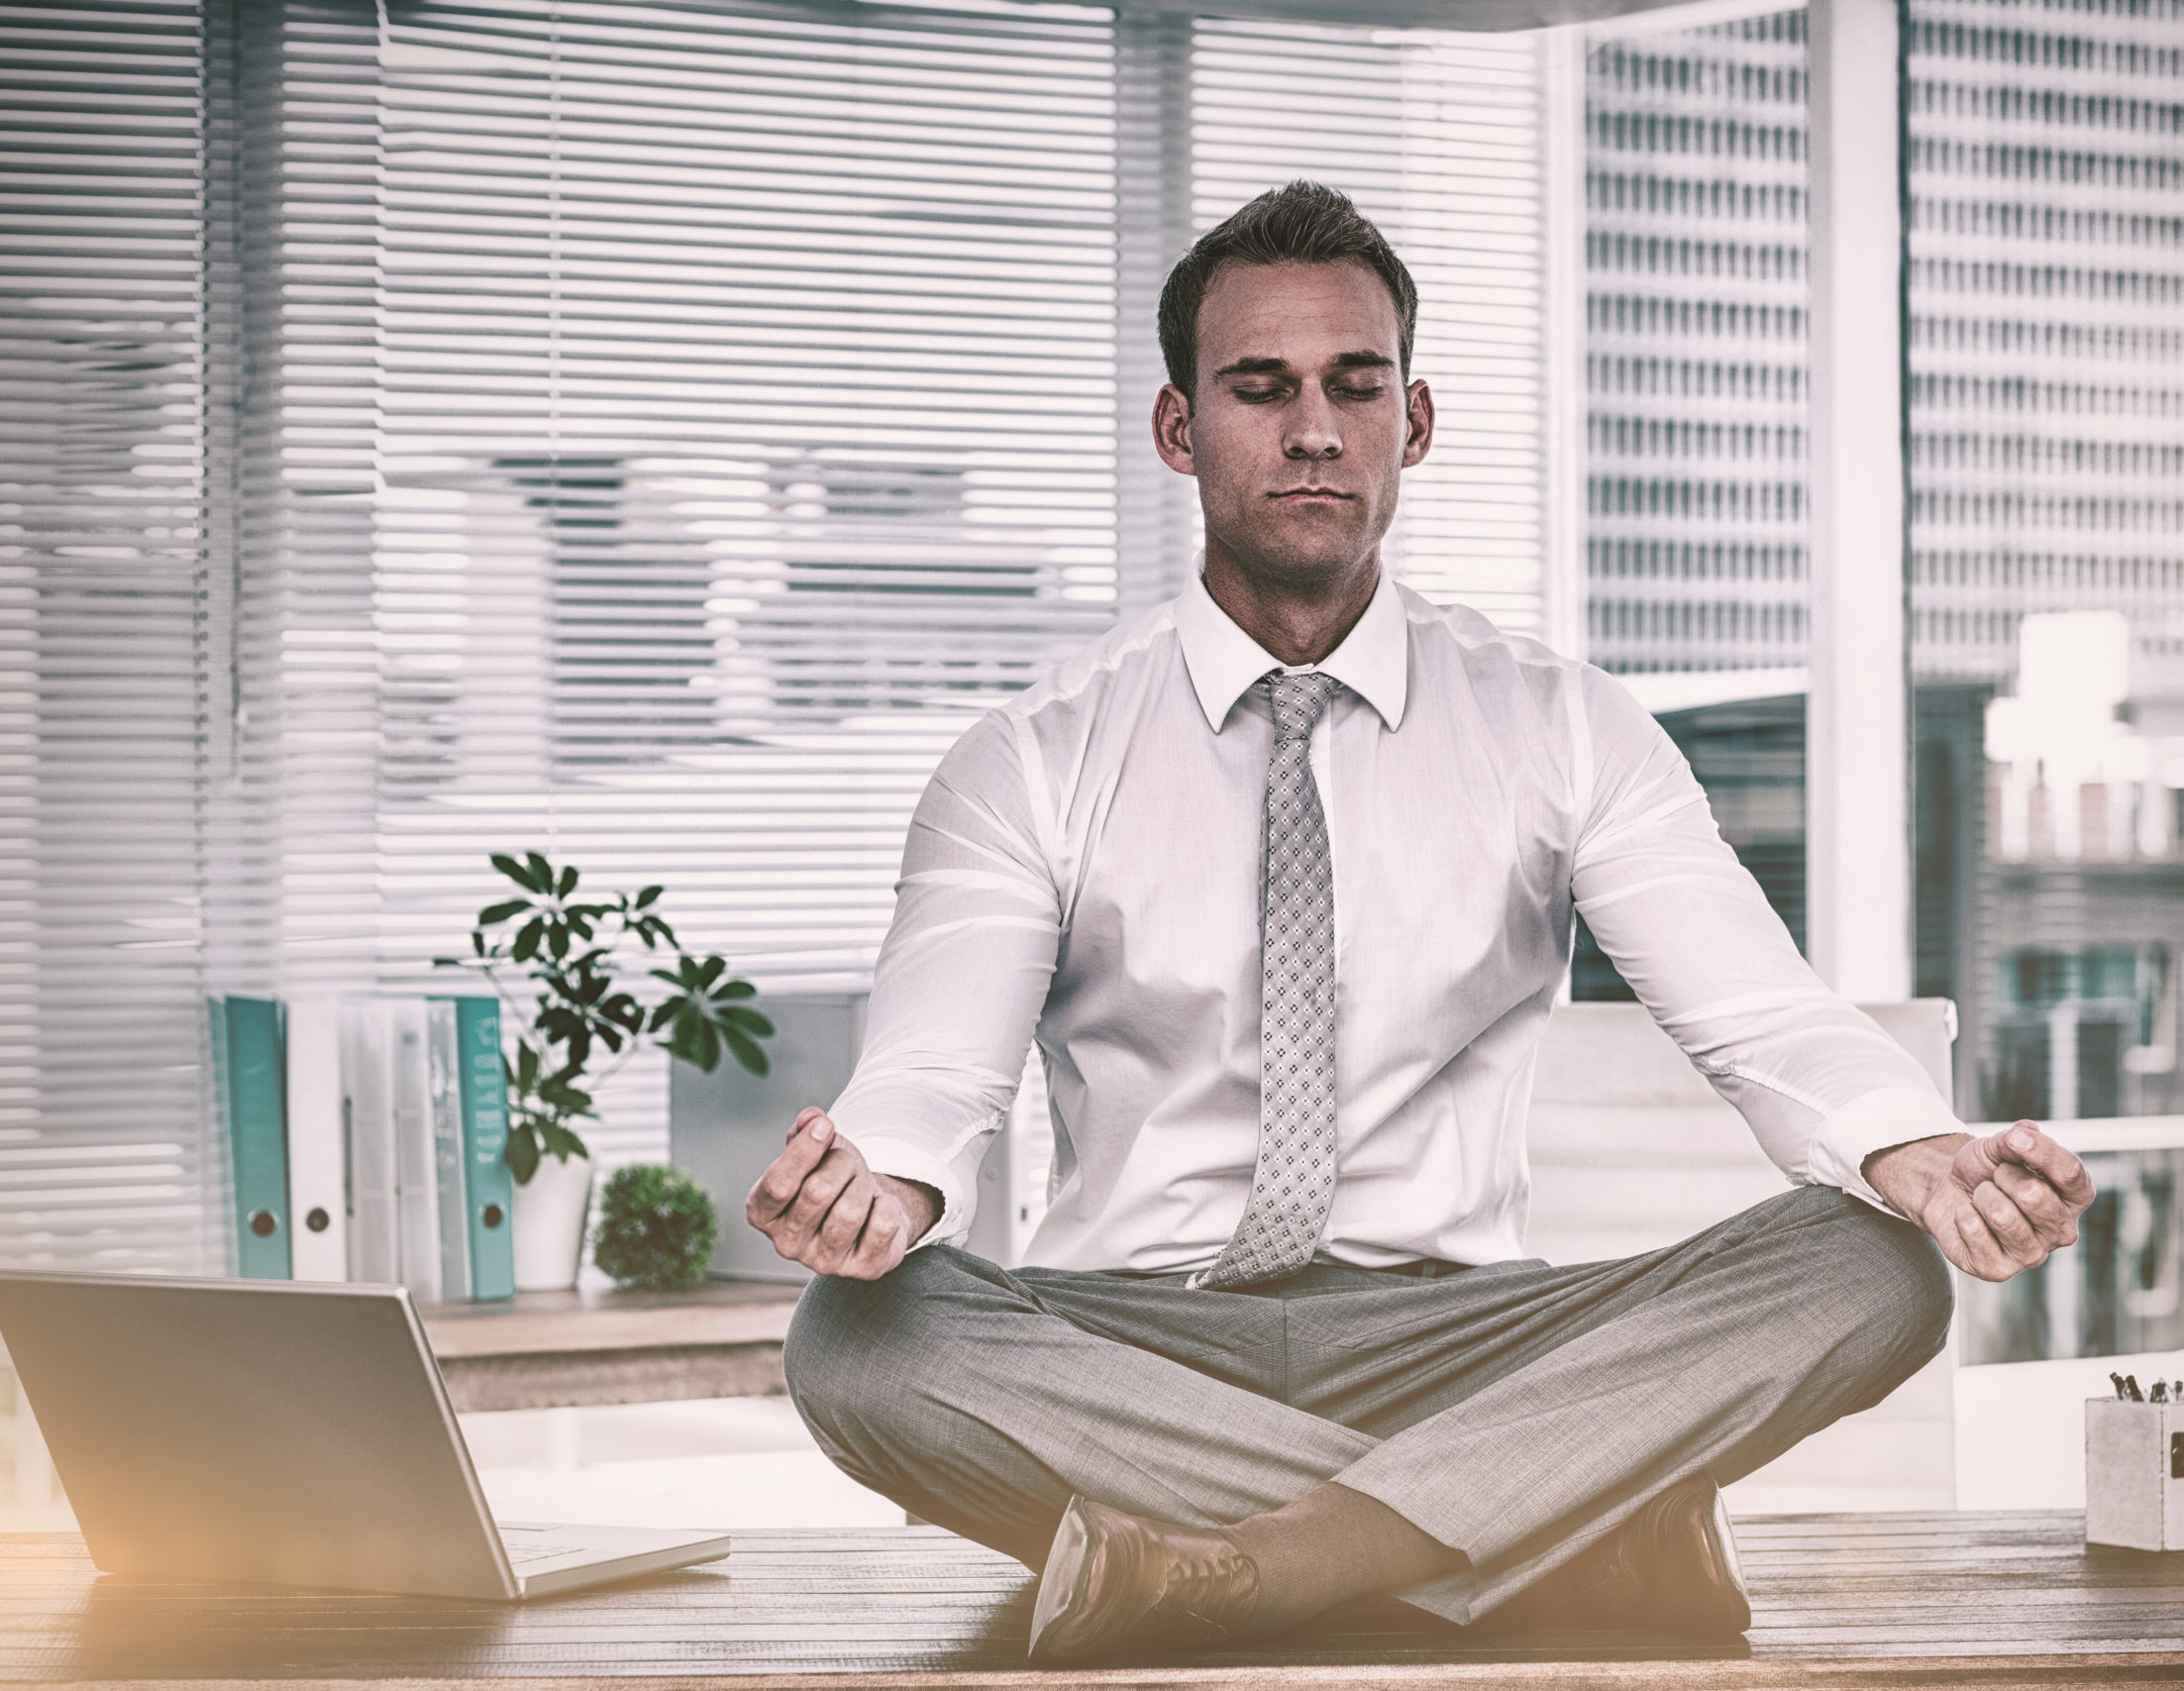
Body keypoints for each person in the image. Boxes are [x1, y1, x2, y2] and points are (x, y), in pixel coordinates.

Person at [752, 180, 2094, 1666]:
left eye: (1355, 384)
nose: (1313, 430)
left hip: (1467, 1341)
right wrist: (883, 1182)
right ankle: (1559, 1529)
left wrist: (1914, 1150)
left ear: (1417, 419)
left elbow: (1761, 1016)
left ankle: (1262, 1568)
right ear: (1179, 429)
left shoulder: (1561, 726)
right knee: (858, 1340)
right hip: (1127, 1339)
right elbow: (937, 1073)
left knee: (1870, 1264)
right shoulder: (1032, 757)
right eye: (1259, 388)